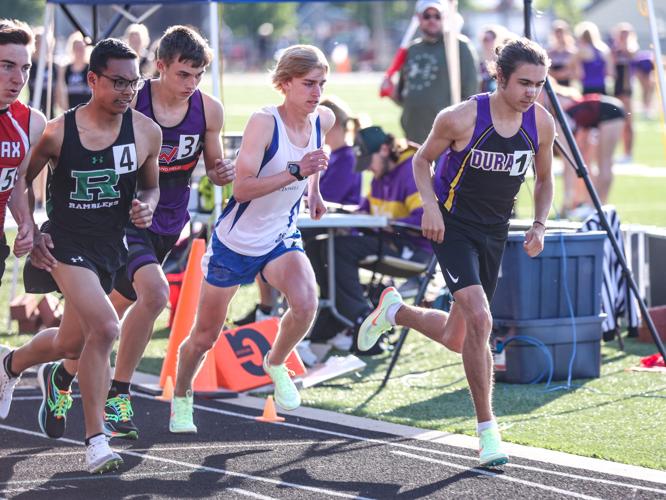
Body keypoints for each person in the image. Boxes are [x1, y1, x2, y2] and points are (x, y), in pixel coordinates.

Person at [357, 38, 555, 467]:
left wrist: (539, 224)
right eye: (524, 83)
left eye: (539, 85)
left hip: (494, 232)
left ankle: (395, 312)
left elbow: (543, 179)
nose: (531, 93)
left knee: (456, 336)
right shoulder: (461, 117)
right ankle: (488, 434)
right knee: (482, 320)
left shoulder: (540, 122)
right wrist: (430, 206)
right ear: (499, 76)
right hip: (453, 228)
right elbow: (420, 162)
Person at [53, 25, 234, 441]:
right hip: (125, 218)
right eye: (183, 74)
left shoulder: (209, 110)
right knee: (155, 295)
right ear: (160, 67)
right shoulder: (134, 100)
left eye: (198, 75)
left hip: (169, 222)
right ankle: (119, 392)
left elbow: (216, 170)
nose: (191, 84)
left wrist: (223, 173)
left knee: (110, 313)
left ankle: (63, 374)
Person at [0, 38, 161, 474]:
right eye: (118, 82)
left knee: (71, 342)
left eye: (134, 82)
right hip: (65, 247)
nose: (127, 91)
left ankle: (11, 364)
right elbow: (20, 179)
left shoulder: (146, 131)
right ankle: (95, 442)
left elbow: (150, 185)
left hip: (110, 246)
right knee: (106, 325)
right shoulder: (58, 131)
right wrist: (31, 228)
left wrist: (145, 203)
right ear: (93, 79)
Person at [169, 44, 334, 433]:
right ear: (285, 83)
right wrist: (297, 172)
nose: (316, 93)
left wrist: (314, 191)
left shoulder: (321, 119)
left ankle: (275, 363)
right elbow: (241, 190)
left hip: (280, 235)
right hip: (235, 243)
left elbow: (315, 158)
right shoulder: (264, 122)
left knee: (306, 303)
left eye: (322, 84)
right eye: (309, 84)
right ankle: (181, 395)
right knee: (205, 335)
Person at [235, 95, 362, 329]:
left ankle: (270, 309)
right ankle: (269, 307)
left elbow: (330, 194)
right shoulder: (335, 155)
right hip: (315, 223)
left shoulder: (347, 158)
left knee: (271, 244)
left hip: (333, 227)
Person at [306, 125, 432, 351]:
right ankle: (337, 317)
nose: (369, 171)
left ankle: (360, 317)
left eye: (369, 162)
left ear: (384, 150)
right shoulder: (380, 177)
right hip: (389, 241)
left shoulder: (410, 172)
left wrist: (383, 226)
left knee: (336, 249)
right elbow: (364, 211)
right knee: (318, 246)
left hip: (415, 249)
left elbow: (425, 220)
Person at [385, 0, 479, 144]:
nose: (432, 20)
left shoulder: (458, 46)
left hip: (445, 135)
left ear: (444, 18)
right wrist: (391, 92)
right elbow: (405, 97)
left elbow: (471, 93)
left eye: (437, 16)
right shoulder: (412, 49)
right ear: (419, 18)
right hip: (413, 134)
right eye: (427, 16)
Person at [0, 20, 46, 283]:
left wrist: (26, 223)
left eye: (25, 68)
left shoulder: (31, 123)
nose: (19, 79)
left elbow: (18, 180)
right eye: (7, 66)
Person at [540, 82, 625, 215]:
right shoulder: (566, 106)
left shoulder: (561, 115)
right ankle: (593, 205)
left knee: (605, 162)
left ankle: (597, 207)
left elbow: (568, 163)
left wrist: (566, 202)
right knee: (596, 163)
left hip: (610, 112)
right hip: (610, 110)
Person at [611, 23, 637, 163]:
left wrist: (624, 43)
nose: (623, 36)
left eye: (626, 33)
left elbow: (631, 53)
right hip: (617, 88)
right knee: (619, 121)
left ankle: (629, 153)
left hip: (626, 89)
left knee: (628, 121)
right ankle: (622, 152)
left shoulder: (631, 47)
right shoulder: (615, 49)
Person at [573, 21, 611, 95]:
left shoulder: (580, 51)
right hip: (601, 86)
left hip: (587, 87)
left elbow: (579, 74)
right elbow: (610, 72)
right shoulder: (604, 50)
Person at [56, 32, 92, 110]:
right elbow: (60, 92)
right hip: (71, 111)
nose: (79, 51)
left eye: (81, 48)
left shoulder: (90, 68)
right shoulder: (66, 69)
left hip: (87, 112)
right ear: (72, 50)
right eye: (77, 48)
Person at [547, 20, 577, 87]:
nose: (559, 34)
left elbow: (576, 71)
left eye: (561, 32)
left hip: (568, 85)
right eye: (557, 32)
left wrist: (565, 74)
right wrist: (555, 74)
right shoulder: (550, 52)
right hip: (554, 85)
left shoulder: (572, 51)